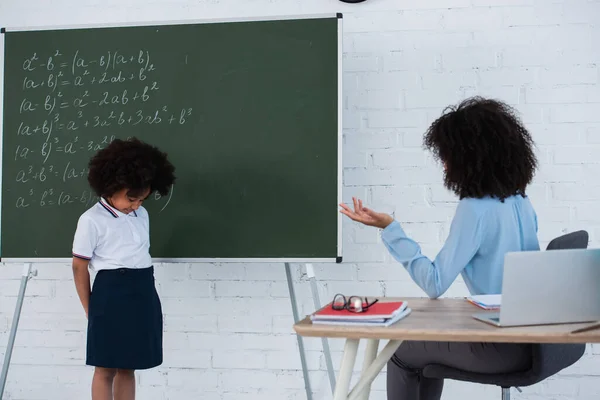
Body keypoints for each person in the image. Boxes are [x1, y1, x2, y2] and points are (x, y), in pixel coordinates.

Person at [339, 97, 540, 400]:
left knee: (400, 351)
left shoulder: (474, 210)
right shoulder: (521, 202)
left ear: (470, 156)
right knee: (421, 352)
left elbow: (434, 283)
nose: (444, 163)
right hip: (533, 342)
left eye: (447, 154)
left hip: (500, 347)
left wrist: (390, 229)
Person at [71, 137, 176, 400]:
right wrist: (90, 308)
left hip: (143, 291)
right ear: (113, 185)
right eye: (132, 198)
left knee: (129, 366)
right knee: (105, 367)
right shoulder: (91, 220)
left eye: (142, 199)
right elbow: (78, 266)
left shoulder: (142, 215)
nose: (136, 205)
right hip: (111, 294)